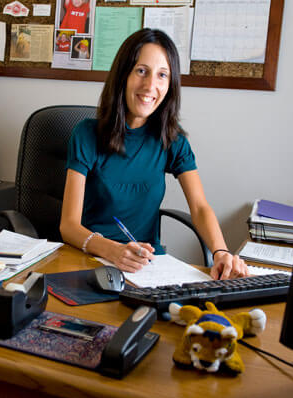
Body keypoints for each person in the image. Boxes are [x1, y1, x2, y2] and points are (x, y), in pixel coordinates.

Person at [60, 28, 249, 280]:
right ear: (123, 75)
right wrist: (113, 250)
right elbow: (69, 226)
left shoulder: (172, 139)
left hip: (146, 266)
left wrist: (221, 252)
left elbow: (200, 207)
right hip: (90, 261)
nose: (150, 85)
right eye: (141, 71)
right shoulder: (86, 134)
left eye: (162, 75)